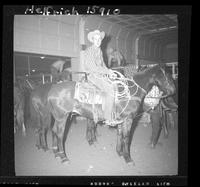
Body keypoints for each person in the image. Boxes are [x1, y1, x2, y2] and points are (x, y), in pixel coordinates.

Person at [83, 30, 122, 125]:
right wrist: (107, 71)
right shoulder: (89, 51)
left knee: (116, 85)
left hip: (99, 75)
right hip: (93, 76)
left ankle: (114, 111)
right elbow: (93, 67)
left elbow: (103, 65)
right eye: (95, 39)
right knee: (110, 89)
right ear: (92, 40)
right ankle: (108, 118)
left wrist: (110, 72)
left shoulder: (99, 51)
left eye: (99, 39)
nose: (98, 41)